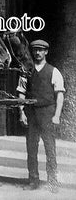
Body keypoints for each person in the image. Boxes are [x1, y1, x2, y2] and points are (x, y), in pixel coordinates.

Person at [17, 39, 65, 193]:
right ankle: (33, 179)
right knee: (31, 148)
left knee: (50, 148)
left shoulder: (53, 71)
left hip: (47, 113)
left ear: (46, 52)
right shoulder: (26, 71)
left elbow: (60, 95)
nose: (37, 53)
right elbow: (21, 93)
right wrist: (21, 112)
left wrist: (57, 115)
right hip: (31, 113)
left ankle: (52, 181)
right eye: (35, 50)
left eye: (41, 50)